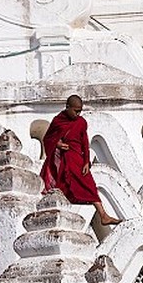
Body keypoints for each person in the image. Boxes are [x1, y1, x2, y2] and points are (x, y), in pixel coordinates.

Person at [41, 95, 122, 226]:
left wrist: (86, 161)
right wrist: (58, 144)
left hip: (77, 159)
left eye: (80, 111)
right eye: (75, 111)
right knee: (64, 186)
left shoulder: (81, 122)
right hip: (64, 160)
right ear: (67, 108)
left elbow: (85, 142)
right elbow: (48, 138)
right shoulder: (57, 121)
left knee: (89, 185)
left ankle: (103, 215)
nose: (78, 114)